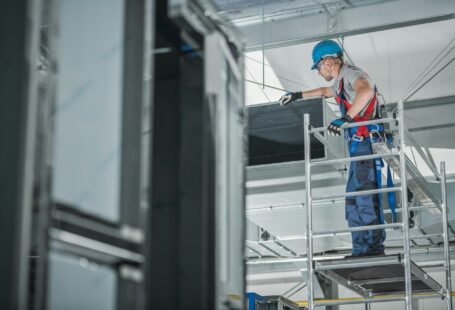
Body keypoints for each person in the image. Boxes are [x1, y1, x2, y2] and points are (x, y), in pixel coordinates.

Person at [279, 39, 386, 257]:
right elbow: (325, 91)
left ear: (328, 62)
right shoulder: (340, 81)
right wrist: (298, 95)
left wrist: (346, 118)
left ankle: (372, 249)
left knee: (364, 196)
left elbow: (365, 91)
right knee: (354, 199)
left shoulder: (352, 74)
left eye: (318, 67)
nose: (318, 72)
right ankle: (361, 249)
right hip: (357, 146)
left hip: (365, 143)